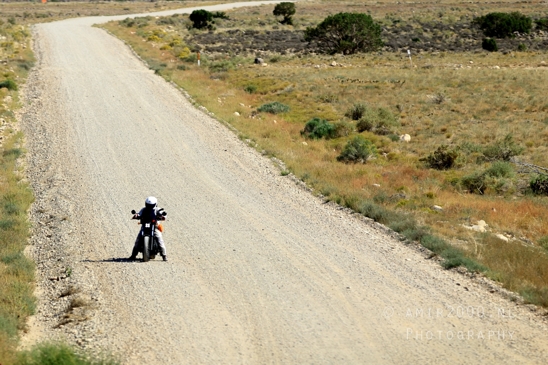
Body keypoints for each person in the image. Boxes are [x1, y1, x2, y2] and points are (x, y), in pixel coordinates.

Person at [128, 196, 168, 261]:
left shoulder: (158, 209)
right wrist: (136, 215)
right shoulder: (144, 209)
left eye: (151, 205)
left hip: (155, 227)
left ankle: (164, 255)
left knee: (159, 239)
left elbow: (163, 214)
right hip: (144, 227)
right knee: (138, 239)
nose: (149, 206)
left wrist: (163, 216)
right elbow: (139, 214)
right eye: (148, 205)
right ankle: (133, 255)